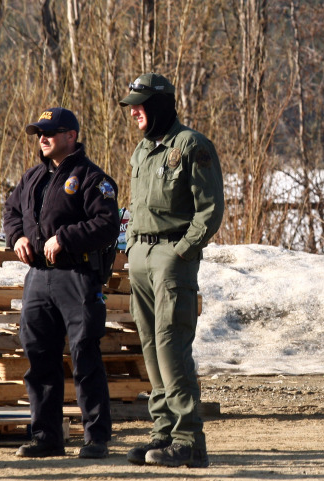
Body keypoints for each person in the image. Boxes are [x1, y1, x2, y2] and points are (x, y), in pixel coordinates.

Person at [119, 73, 224, 468]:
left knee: (170, 346)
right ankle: (162, 433)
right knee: (150, 346)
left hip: (171, 257)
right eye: (132, 105)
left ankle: (188, 440)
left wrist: (183, 251)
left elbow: (210, 209)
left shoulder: (190, 145)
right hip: (141, 256)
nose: (134, 112)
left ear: (161, 105)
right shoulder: (143, 151)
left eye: (141, 104)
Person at [3, 107, 120, 459]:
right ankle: (46, 437)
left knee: (85, 356)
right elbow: (11, 211)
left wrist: (65, 238)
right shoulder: (32, 178)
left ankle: (96, 438)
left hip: (77, 276)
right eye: (39, 132)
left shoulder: (91, 178)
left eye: (50, 132)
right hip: (38, 278)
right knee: (39, 358)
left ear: (71, 136)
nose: (43, 138)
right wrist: (17, 237)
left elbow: (107, 223)